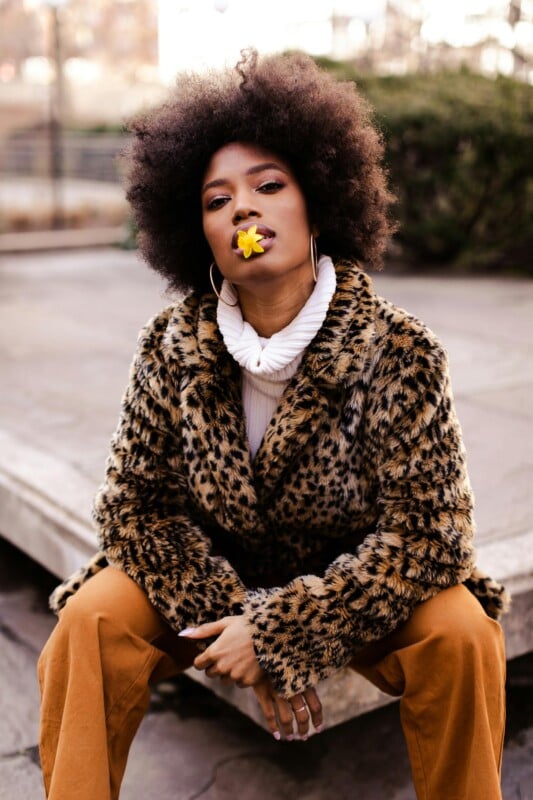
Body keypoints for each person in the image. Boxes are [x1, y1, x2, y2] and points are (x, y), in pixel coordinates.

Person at [38, 50, 509, 800]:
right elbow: (135, 510)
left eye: (268, 186)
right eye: (216, 200)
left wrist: (287, 631)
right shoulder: (170, 343)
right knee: (91, 620)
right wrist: (237, 626)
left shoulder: (397, 348)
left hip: (348, 579)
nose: (243, 212)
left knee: (460, 632)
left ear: (317, 204)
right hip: (208, 573)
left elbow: (430, 534)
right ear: (198, 231)